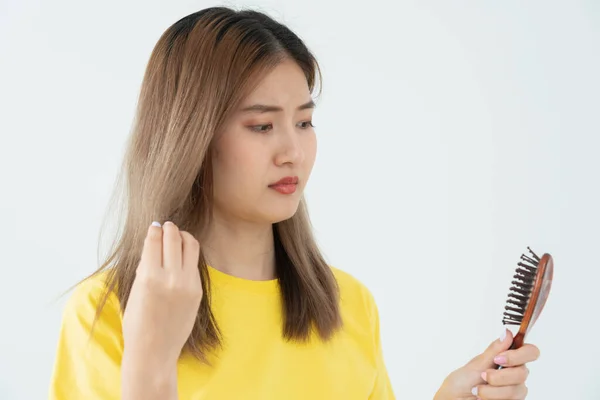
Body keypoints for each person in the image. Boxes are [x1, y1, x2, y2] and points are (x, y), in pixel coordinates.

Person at [49, 6, 540, 400]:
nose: (294, 152)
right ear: (190, 137)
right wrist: (151, 363)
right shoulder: (109, 311)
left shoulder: (349, 305)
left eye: (304, 122)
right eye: (262, 126)